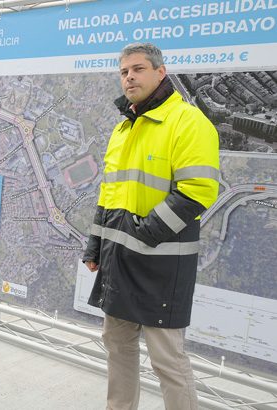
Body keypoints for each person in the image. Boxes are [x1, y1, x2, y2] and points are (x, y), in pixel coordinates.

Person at [82, 42, 220, 409]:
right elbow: (108, 194)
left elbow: (198, 191)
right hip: (118, 260)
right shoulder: (122, 130)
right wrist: (95, 245)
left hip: (162, 264)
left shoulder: (189, 122)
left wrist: (141, 234)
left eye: (138, 69)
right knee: (117, 346)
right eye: (124, 71)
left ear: (161, 72)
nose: (129, 77)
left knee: (168, 361)